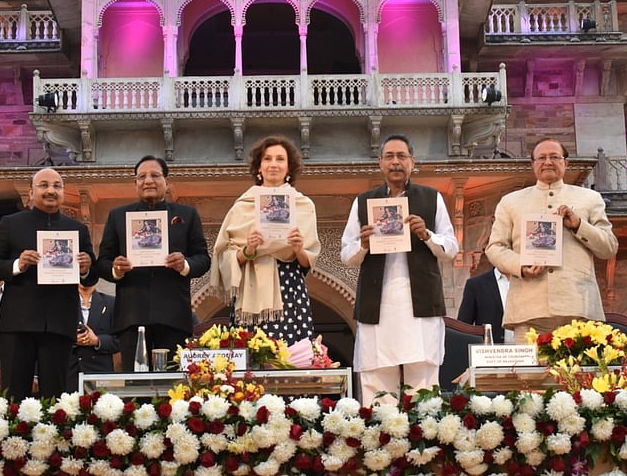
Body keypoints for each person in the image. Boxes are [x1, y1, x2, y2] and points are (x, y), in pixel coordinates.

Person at [341, 134, 459, 405]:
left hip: (420, 305)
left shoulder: (432, 198)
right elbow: (347, 254)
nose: (396, 162)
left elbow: (451, 247)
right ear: (380, 163)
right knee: (378, 383)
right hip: (377, 305)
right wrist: (364, 243)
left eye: (402, 156)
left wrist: (427, 234)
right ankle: (381, 441)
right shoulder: (363, 202)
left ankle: (424, 441)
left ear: (412, 162)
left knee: (423, 385)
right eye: (390, 157)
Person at [485, 137, 618, 342]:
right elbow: (495, 247)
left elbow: (609, 247)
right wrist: (521, 265)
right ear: (533, 164)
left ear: (566, 162)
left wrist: (578, 225)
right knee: (531, 375)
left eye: (555, 157)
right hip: (528, 308)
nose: (548, 162)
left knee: (577, 374)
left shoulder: (589, 199)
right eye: (542, 158)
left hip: (577, 304)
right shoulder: (511, 202)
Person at [0, 168, 97, 400]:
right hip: (17, 324)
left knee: (55, 397)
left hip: (60, 323)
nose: (50, 190)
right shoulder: (10, 224)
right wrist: (18, 264)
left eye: (57, 186)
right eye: (44, 185)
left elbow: (92, 276)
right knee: (13, 395)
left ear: (63, 192)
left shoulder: (77, 229)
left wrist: (86, 267)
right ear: (31, 192)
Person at [97, 155, 210, 370]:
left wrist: (184, 264)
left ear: (167, 181)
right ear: (136, 183)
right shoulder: (118, 216)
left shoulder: (187, 215)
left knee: (173, 387)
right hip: (131, 315)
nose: (148, 180)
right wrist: (116, 269)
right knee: (135, 385)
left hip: (174, 315)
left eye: (155, 175)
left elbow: (203, 259)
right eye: (142, 177)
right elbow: (102, 262)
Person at [209, 136, 320, 345]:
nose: (273, 164)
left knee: (289, 358)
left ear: (289, 168)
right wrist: (249, 249)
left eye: (280, 159)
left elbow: (307, 262)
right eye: (267, 159)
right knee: (252, 359)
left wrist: (298, 249)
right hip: (250, 293)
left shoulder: (303, 205)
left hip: (287, 289)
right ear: (259, 167)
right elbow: (224, 255)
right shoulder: (242, 206)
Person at [68, 283, 119, 389]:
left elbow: (119, 341)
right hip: (70, 373)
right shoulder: (64, 302)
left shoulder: (111, 303)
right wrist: (72, 339)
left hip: (100, 374)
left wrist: (96, 340)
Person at [457, 265, 513, 344]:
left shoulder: (529, 283)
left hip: (526, 351)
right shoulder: (476, 285)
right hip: (489, 352)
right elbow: (463, 327)